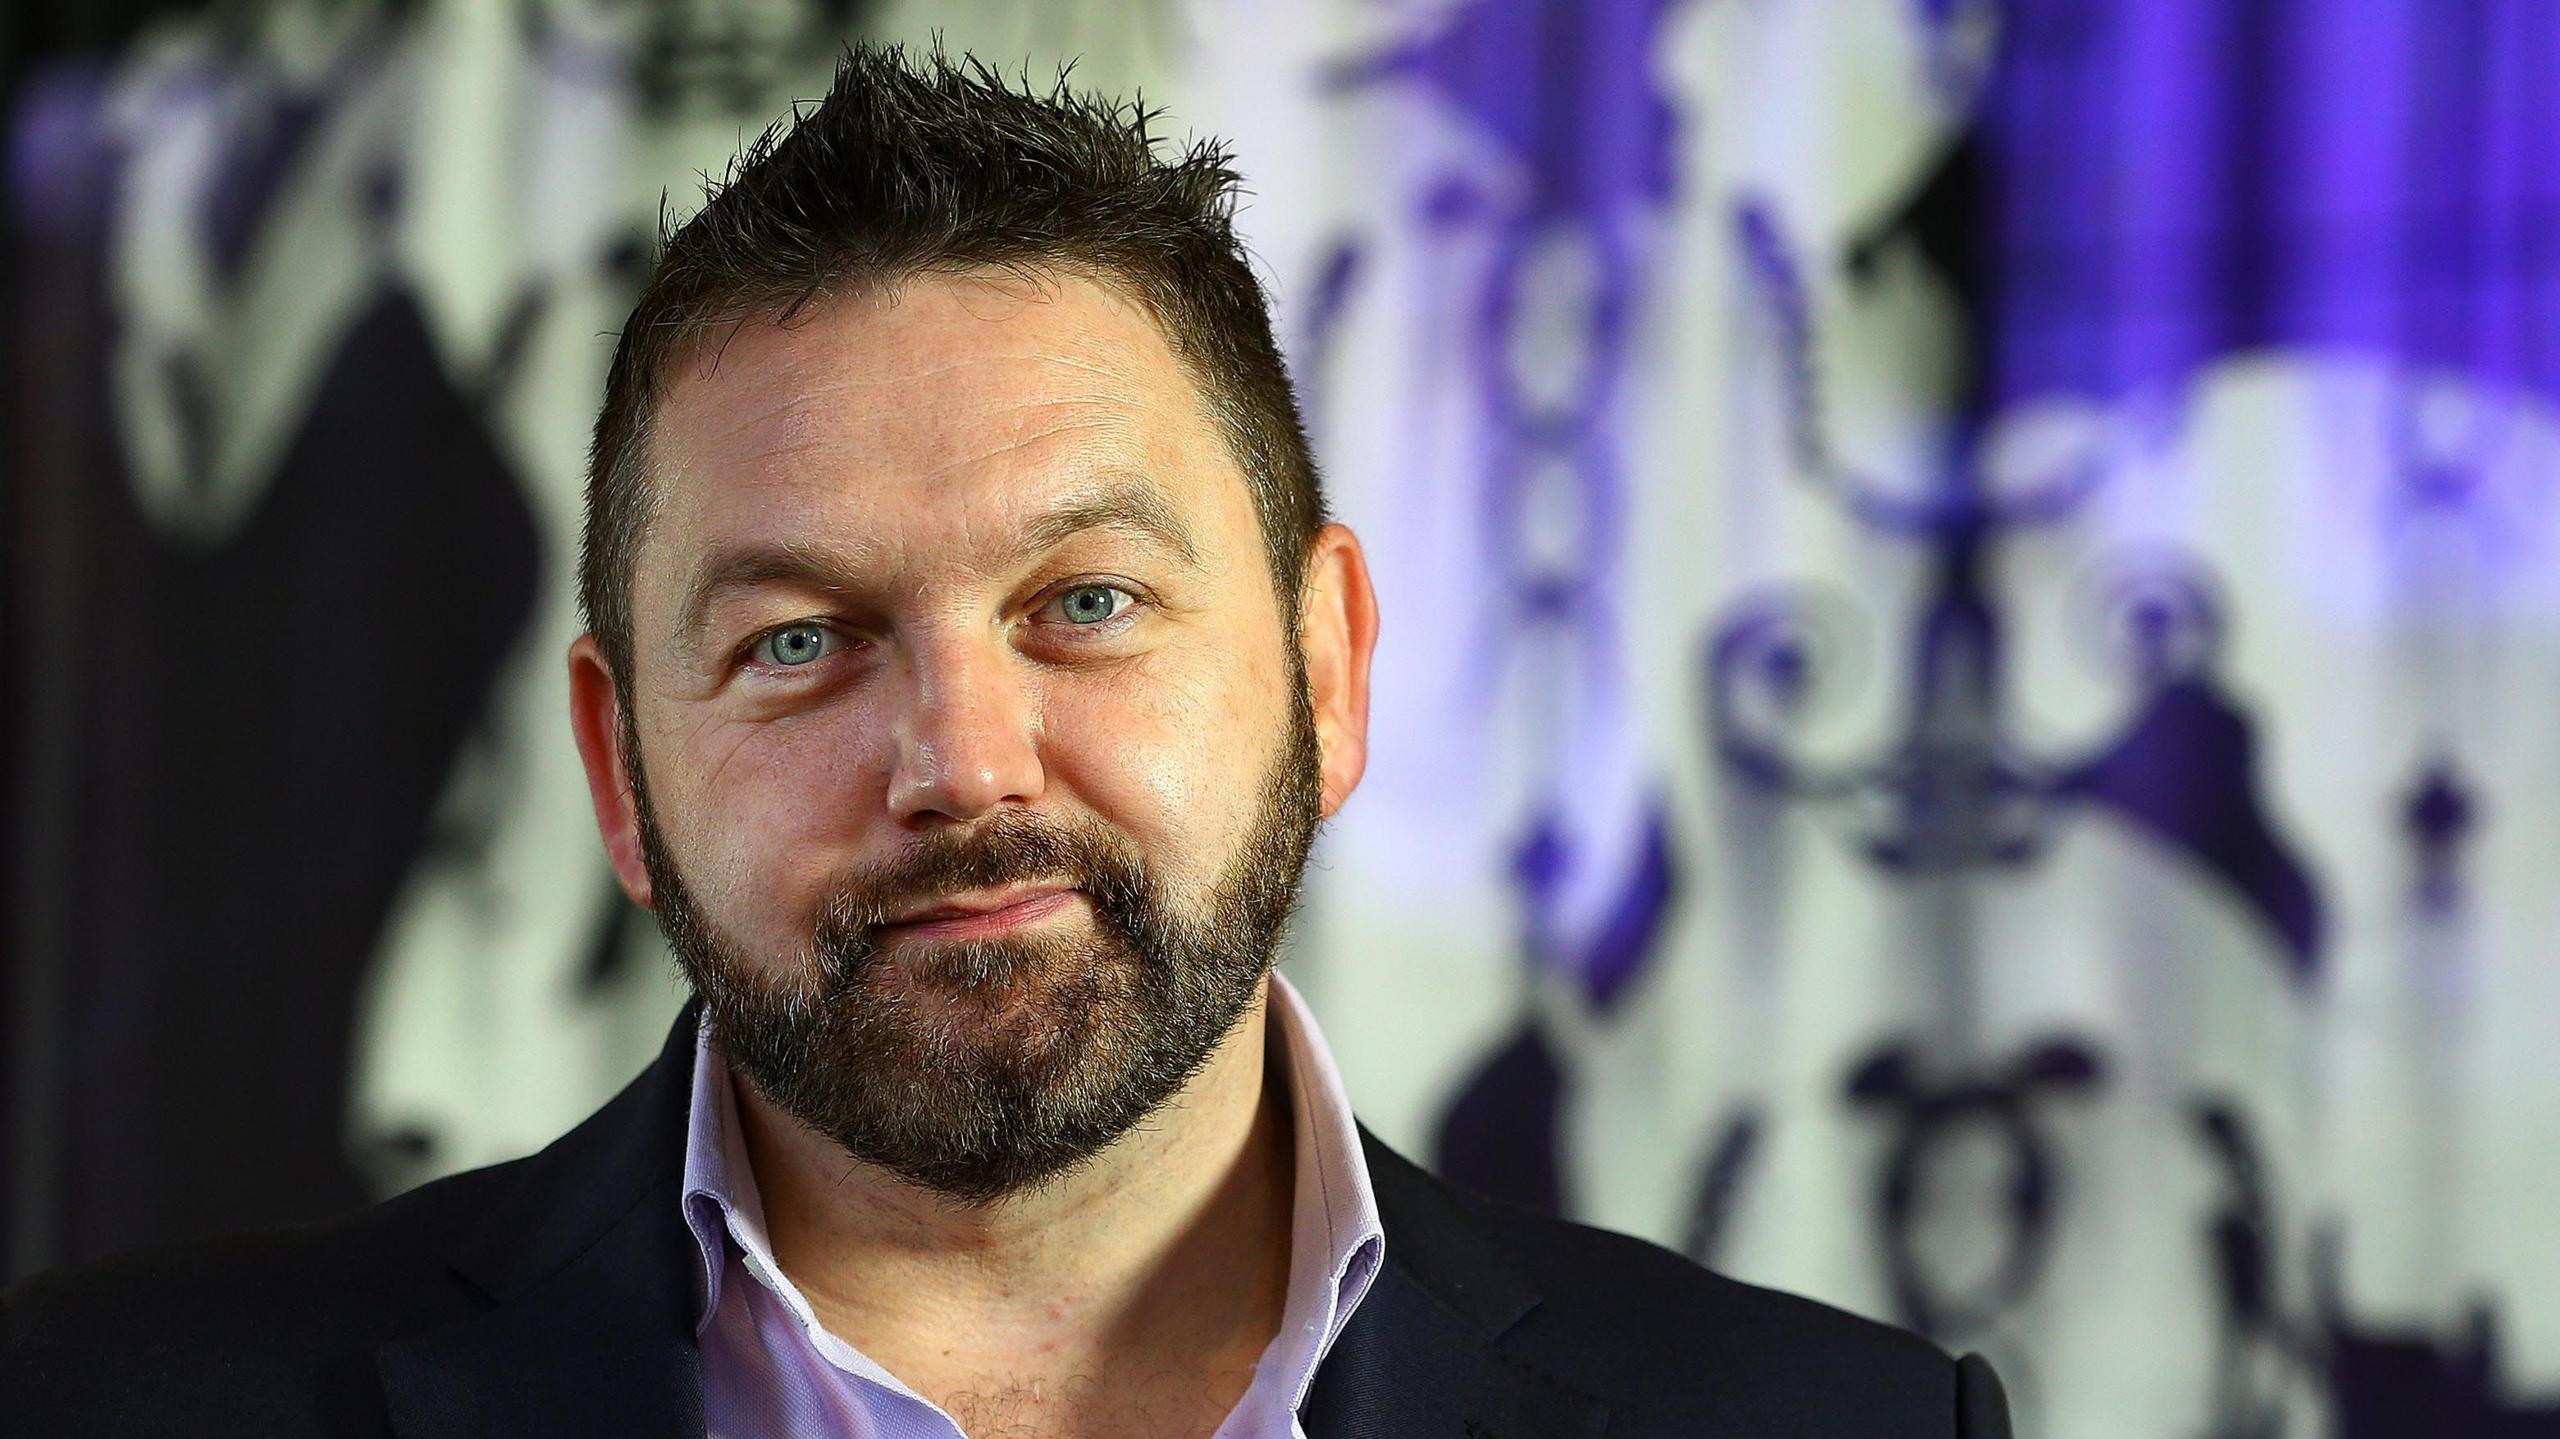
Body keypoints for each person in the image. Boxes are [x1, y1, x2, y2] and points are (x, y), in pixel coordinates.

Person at [5, 43, 2011, 1439]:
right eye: (800, 641)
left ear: (1331, 667)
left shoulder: (1827, 1427)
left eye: (1086, 604)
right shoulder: (104, 1413)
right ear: (620, 773)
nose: (962, 760)